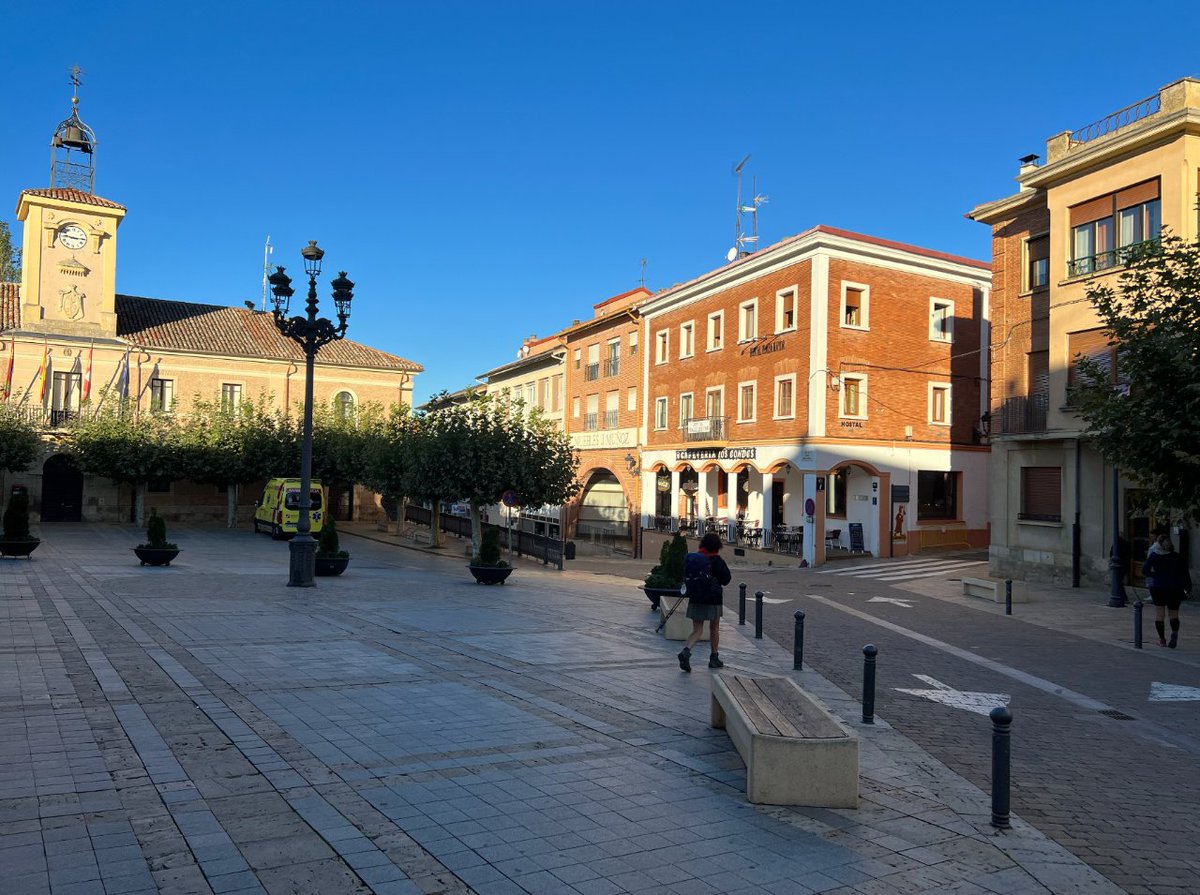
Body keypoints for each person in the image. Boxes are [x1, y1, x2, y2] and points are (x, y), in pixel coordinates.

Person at [677, 532, 732, 672]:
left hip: (696, 598)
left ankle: (686, 650)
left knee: (697, 630)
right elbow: (726, 579)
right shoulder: (717, 561)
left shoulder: (696, 559)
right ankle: (714, 657)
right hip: (713, 599)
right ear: (717, 546)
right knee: (714, 628)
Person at [1142, 533, 1192, 648]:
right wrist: (1188, 588)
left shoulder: (1154, 555)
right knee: (1174, 614)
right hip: (1175, 588)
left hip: (1158, 587)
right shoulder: (1177, 556)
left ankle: (1162, 640)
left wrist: (1155, 575)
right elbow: (1185, 574)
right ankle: (1174, 633)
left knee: (1160, 614)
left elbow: (1144, 570)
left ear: (1159, 544)